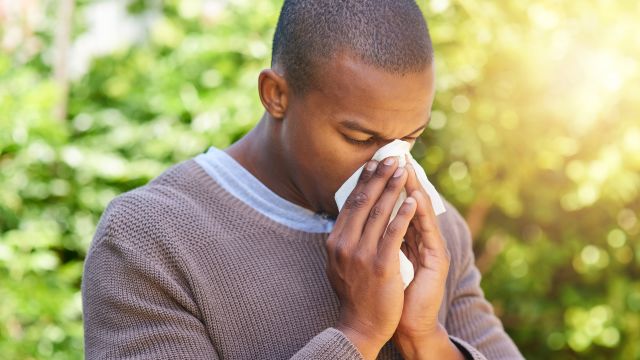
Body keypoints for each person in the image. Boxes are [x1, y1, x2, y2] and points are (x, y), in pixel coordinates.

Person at [82, 1, 524, 359]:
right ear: (276, 95)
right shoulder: (150, 240)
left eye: (410, 138)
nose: (388, 167)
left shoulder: (432, 232)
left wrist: (424, 338)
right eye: (359, 137)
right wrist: (359, 333)